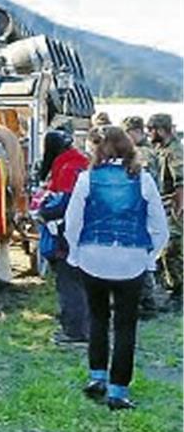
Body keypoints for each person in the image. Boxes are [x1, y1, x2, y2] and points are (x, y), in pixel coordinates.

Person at [64, 126, 168, 410]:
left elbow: (73, 222)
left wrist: (75, 252)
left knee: (97, 318)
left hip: (92, 256)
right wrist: (149, 256)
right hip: (131, 260)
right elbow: (159, 226)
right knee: (125, 326)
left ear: (98, 149)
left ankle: (97, 376)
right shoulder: (143, 179)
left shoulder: (87, 179)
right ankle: (118, 391)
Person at [36, 129, 91, 345]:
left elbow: (65, 203)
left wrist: (42, 212)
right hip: (85, 232)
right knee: (82, 282)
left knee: (68, 283)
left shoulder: (67, 169)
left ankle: (74, 331)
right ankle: (85, 326)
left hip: (66, 235)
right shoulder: (82, 163)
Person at [123, 115, 166, 315]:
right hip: (147, 207)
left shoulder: (142, 154)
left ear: (136, 132)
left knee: (141, 254)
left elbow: (144, 183)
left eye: (127, 133)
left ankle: (147, 302)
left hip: (144, 208)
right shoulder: (145, 151)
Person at [148, 113, 182, 300]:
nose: (149, 133)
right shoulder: (160, 149)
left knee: (171, 250)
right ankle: (168, 286)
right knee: (163, 250)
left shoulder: (174, 151)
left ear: (161, 130)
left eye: (151, 129)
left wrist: (178, 209)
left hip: (173, 206)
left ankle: (178, 291)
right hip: (163, 205)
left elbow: (181, 183)